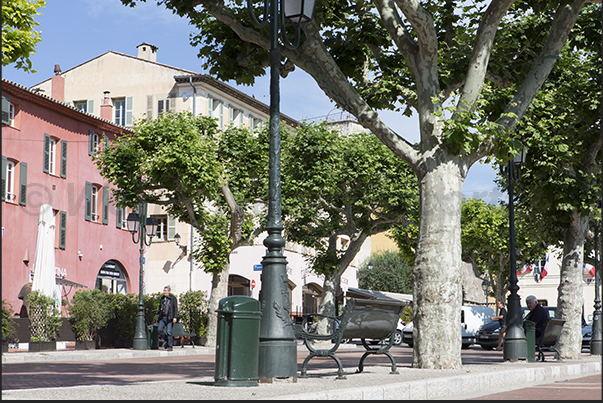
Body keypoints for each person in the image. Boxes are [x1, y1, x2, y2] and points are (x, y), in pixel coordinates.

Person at [157, 285, 178, 351]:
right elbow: (160, 307)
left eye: (165, 291)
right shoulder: (162, 298)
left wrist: (175, 317)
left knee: (169, 332)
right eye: (164, 290)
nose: (164, 292)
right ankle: (168, 341)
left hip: (169, 317)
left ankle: (170, 346)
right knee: (159, 330)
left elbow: (175, 308)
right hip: (163, 317)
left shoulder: (173, 298)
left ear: (169, 291)